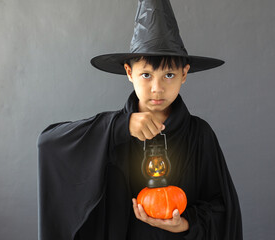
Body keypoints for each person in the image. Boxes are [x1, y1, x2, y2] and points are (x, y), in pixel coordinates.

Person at [37, 0, 243, 239]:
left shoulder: (199, 134)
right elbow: (48, 143)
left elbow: (222, 209)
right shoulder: (112, 133)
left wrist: (186, 224)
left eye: (169, 74)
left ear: (184, 74)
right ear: (129, 72)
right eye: (146, 74)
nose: (157, 88)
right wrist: (119, 127)